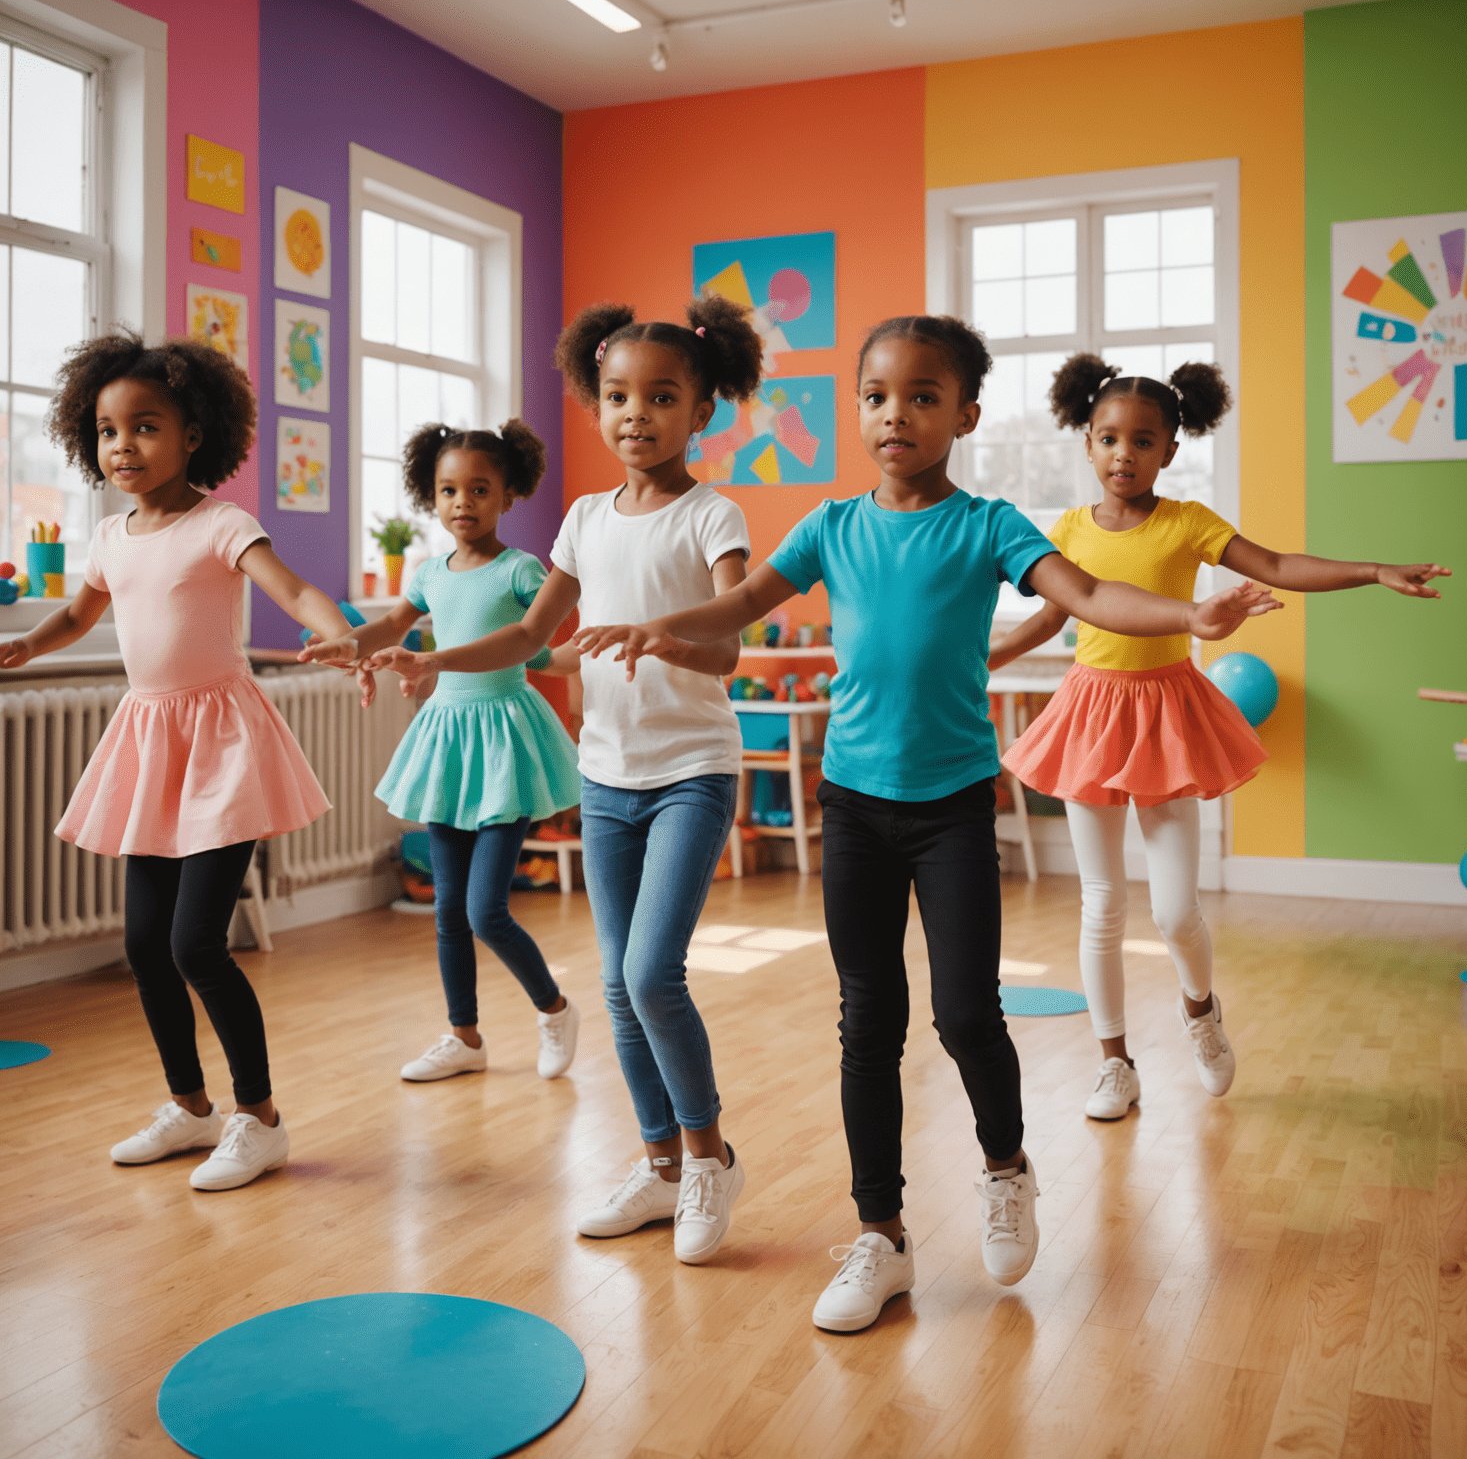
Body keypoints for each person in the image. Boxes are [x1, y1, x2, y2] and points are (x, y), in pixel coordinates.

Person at [575, 315, 1279, 1331]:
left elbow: (1082, 592)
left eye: (920, 395)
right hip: (854, 807)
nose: (893, 414)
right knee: (868, 1022)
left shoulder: (990, 525)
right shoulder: (829, 525)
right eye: (874, 396)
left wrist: (1189, 615)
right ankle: (880, 1237)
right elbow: (742, 608)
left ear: (965, 414)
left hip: (951, 809)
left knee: (962, 1014)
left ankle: (1005, 1166)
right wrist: (663, 628)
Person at [362, 297, 763, 1265]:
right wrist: (427, 656)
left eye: (662, 397)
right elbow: (530, 635)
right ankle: (659, 1163)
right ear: (594, 404)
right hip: (609, 778)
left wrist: (666, 635)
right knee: (620, 991)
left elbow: (730, 653)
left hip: (691, 773)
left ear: (701, 409)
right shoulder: (584, 519)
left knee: (650, 973)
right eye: (618, 394)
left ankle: (710, 1158)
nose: (637, 413)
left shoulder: (713, 513)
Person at [993, 353, 1450, 1124]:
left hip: (1170, 715)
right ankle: (1114, 1064)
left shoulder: (1188, 522)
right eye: (1107, 439)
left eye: (1142, 441)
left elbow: (1273, 563)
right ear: (1086, 443)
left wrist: (1373, 569)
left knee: (1173, 911)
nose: (1122, 455)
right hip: (1091, 716)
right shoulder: (1066, 529)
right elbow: (1049, 617)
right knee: (1101, 904)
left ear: (1171, 448)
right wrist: (976, 659)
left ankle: (1200, 1011)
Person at [0, 332, 373, 1190]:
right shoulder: (109, 535)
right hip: (148, 740)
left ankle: (260, 1117)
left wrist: (338, 629)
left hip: (223, 742)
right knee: (144, 943)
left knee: (197, 942)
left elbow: (293, 588)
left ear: (194, 432)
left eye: (145, 426)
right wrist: (25, 648)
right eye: (105, 431)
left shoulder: (221, 524)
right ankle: (191, 1108)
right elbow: (77, 615)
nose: (122, 446)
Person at [302, 420, 582, 1083]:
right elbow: (393, 625)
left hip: (506, 739)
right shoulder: (430, 572)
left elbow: (532, 642)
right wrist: (350, 644)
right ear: (432, 496)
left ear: (508, 494)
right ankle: (463, 1036)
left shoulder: (521, 570)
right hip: (447, 740)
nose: (462, 502)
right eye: (448, 490)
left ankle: (554, 1007)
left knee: (486, 908)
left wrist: (569, 658)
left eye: (479, 489)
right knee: (448, 908)